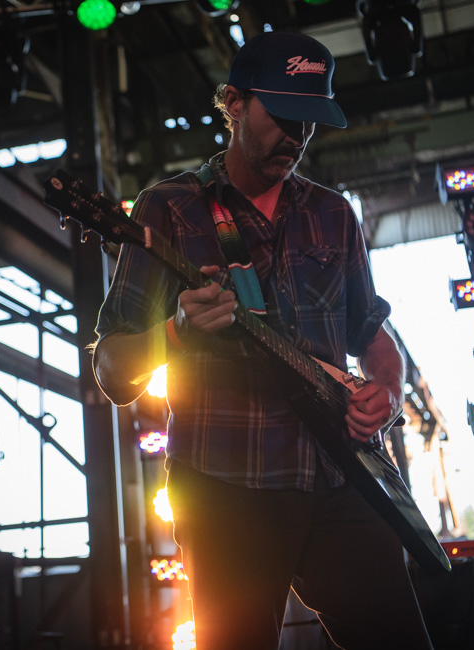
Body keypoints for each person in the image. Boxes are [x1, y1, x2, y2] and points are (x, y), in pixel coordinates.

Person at [93, 31, 432, 649]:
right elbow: (113, 370)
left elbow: (375, 338)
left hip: (339, 478)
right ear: (234, 103)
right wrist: (176, 332)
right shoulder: (167, 209)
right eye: (282, 115)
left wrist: (385, 391)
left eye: (310, 120)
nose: (297, 136)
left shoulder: (333, 214)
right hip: (225, 490)